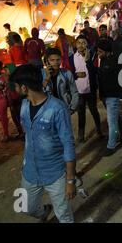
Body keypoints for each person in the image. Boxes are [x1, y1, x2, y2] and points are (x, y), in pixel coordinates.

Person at [9, 64, 76, 223]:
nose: (15, 90)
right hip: (30, 172)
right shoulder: (24, 106)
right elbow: (28, 137)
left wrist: (70, 180)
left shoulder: (57, 108)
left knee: (64, 215)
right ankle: (44, 211)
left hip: (55, 174)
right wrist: (26, 162)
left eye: (16, 87)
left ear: (24, 88)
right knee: (25, 207)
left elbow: (68, 145)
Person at [97, 39, 122, 157]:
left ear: (107, 51)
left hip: (113, 96)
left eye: (100, 51)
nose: (98, 53)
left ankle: (111, 145)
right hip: (107, 96)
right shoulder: (103, 60)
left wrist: (120, 95)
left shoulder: (115, 62)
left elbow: (121, 80)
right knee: (116, 116)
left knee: (112, 121)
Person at [71, 36, 102, 143]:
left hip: (90, 89)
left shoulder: (93, 56)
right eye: (78, 42)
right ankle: (81, 134)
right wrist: (76, 75)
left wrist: (88, 60)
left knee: (94, 110)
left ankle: (99, 129)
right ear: (75, 44)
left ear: (87, 44)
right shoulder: (72, 57)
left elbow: (95, 72)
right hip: (79, 91)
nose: (81, 45)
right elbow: (69, 73)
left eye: (83, 43)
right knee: (81, 113)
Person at [42, 48, 79, 114]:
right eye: (52, 60)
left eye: (58, 60)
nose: (56, 62)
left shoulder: (67, 73)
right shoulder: (41, 75)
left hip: (64, 109)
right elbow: (39, 94)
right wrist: (47, 79)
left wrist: (72, 108)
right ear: (47, 61)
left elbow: (74, 92)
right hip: (48, 111)